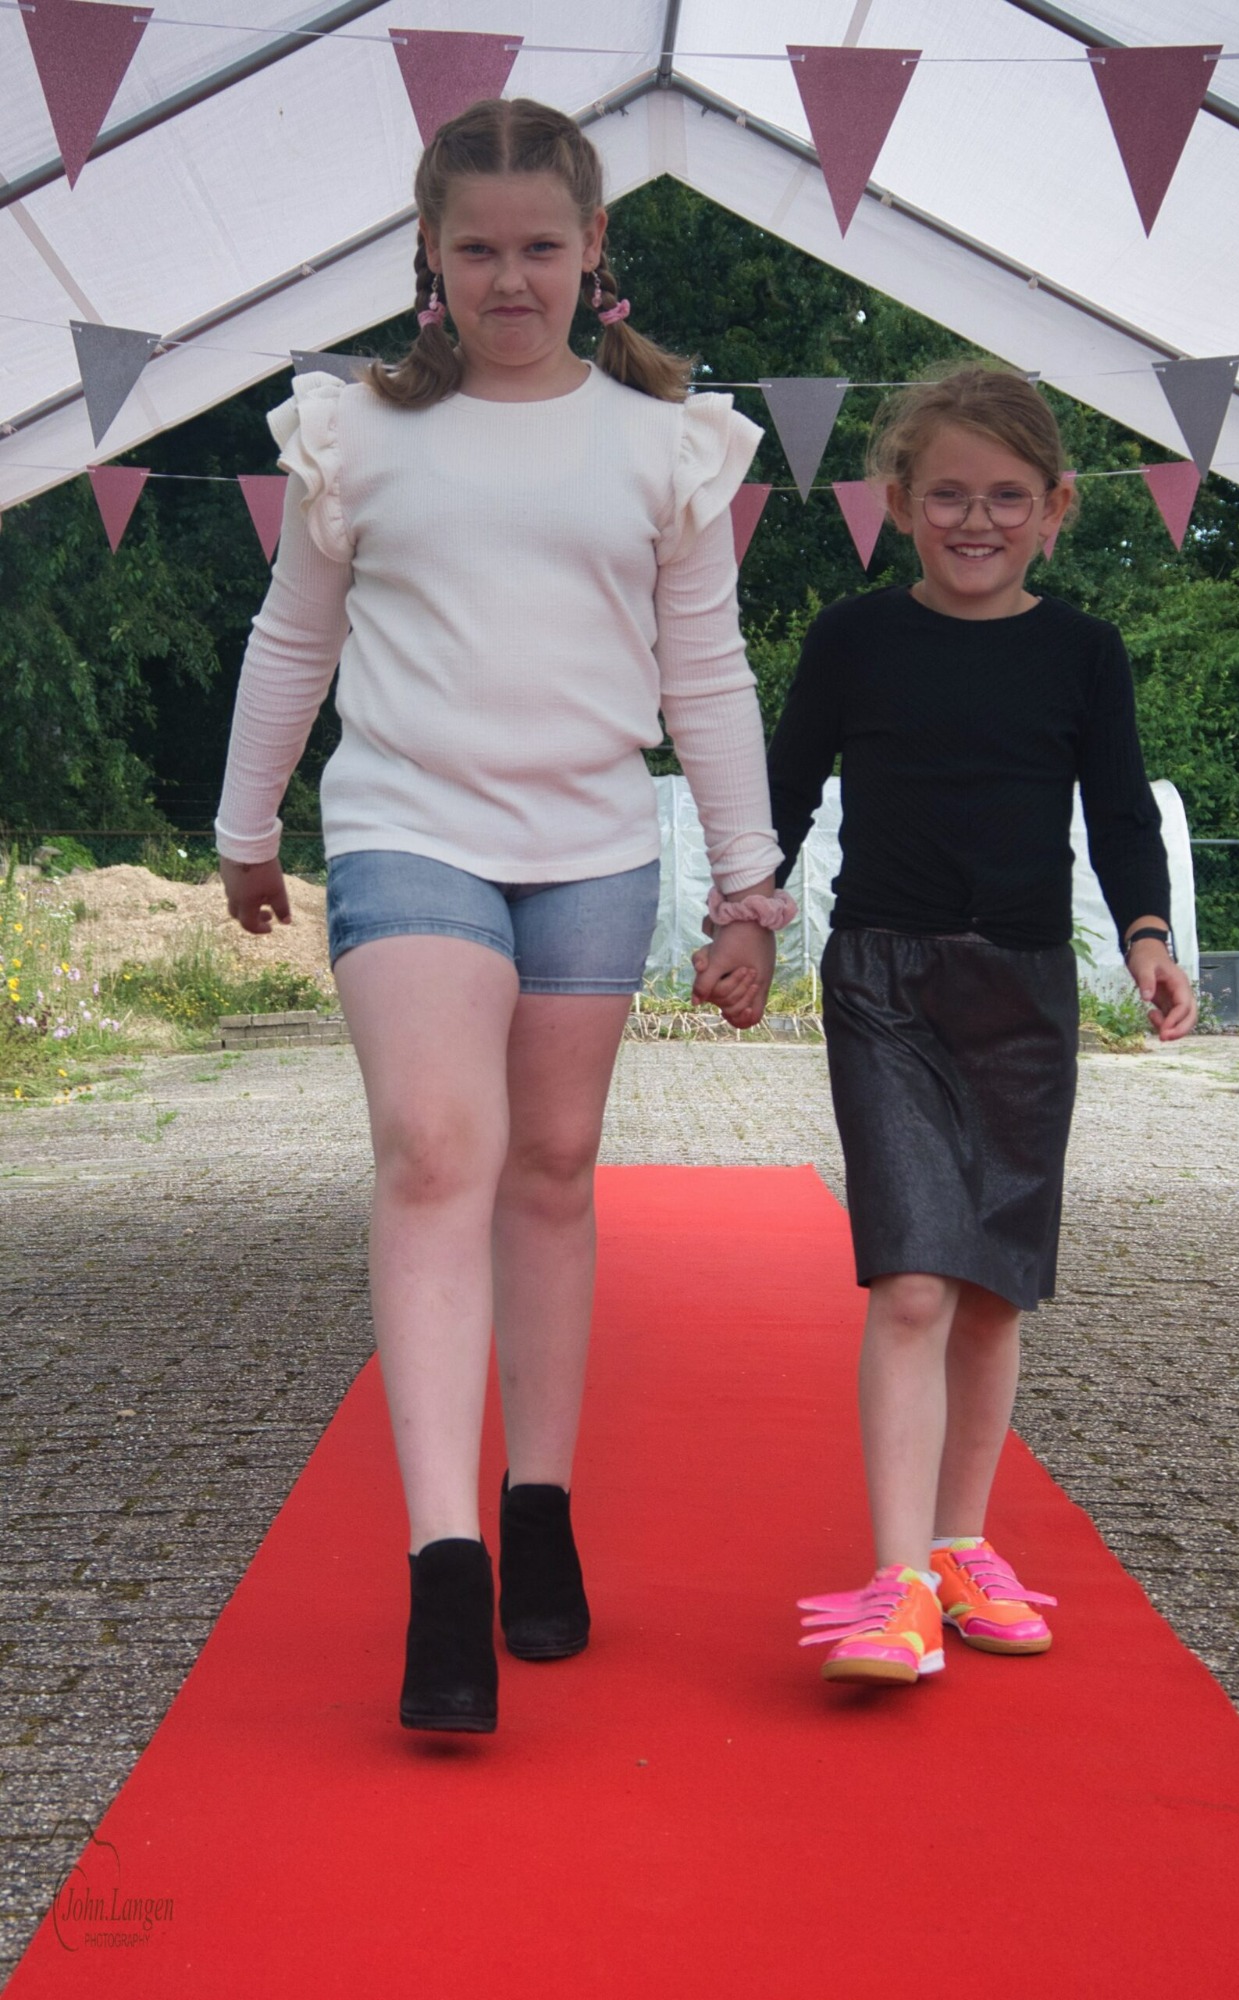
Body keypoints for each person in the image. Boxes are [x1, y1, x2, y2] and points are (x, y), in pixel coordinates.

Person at [214, 97, 793, 1735]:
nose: (511, 278)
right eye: (478, 249)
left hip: (592, 845)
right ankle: (445, 1568)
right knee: (435, 1151)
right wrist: (246, 827)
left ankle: (540, 1508)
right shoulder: (353, 434)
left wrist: (747, 886)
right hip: (408, 827)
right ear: (430, 252)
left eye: (542, 247)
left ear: (595, 249)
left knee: (548, 1167)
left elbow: (707, 675)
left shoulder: (668, 444)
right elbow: (291, 638)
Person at [764, 364, 1196, 1688]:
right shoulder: (853, 638)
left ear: (1056, 509)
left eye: (1008, 497)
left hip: (1024, 995)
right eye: (947, 495)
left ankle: (960, 1546)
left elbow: (1119, 810)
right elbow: (784, 790)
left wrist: (1148, 938)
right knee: (912, 1280)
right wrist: (747, 918)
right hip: (883, 986)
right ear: (898, 502)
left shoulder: (1083, 652)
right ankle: (897, 1580)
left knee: (996, 1290)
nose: (976, 521)